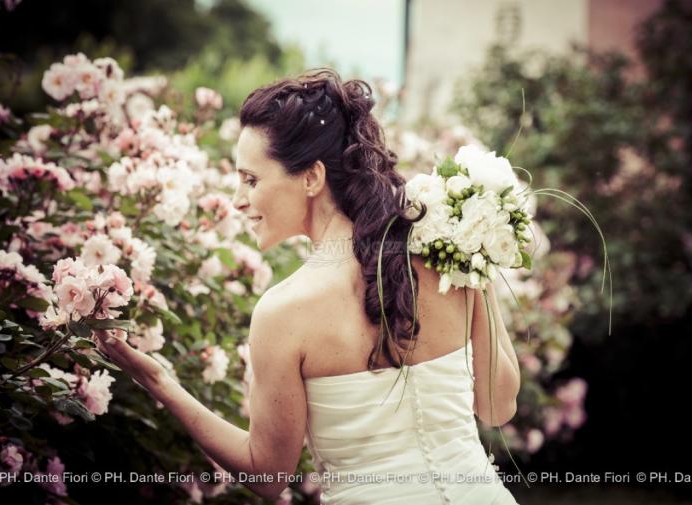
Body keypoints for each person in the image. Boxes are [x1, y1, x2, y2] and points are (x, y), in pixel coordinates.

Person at [93, 68, 521, 504]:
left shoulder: (283, 313)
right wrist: (472, 257)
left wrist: (160, 381)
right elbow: (497, 407)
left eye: (251, 179)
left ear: (312, 178)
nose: (237, 199)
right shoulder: (445, 258)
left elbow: (267, 475)